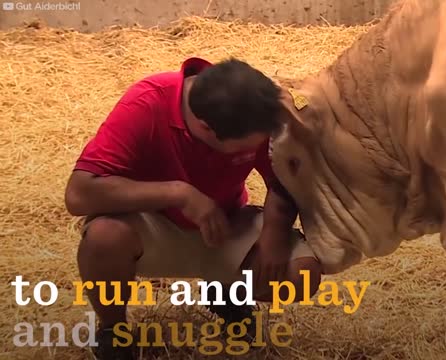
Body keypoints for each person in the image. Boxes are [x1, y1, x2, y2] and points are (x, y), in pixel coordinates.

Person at [63, 57, 322, 360]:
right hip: (154, 226)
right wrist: (178, 193)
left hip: (225, 224)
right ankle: (113, 331)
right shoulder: (147, 103)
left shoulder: (249, 103)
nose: (254, 149)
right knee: (103, 238)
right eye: (243, 148)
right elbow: (79, 194)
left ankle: (226, 290)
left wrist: (273, 234)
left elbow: (281, 179)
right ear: (206, 127)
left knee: (302, 273)